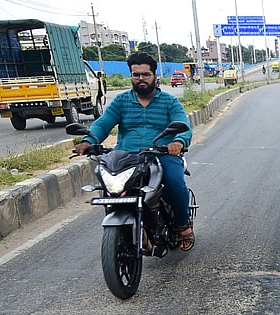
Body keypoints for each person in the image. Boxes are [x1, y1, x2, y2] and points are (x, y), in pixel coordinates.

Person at [75, 52, 195, 251]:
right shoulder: (121, 101)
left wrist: (179, 142)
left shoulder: (169, 102)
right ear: (131, 76)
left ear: (155, 76)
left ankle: (182, 225)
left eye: (145, 74)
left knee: (175, 182)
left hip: (161, 154)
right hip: (127, 156)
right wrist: (88, 140)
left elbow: (183, 124)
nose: (141, 79)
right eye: (136, 74)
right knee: (109, 182)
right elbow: (103, 123)